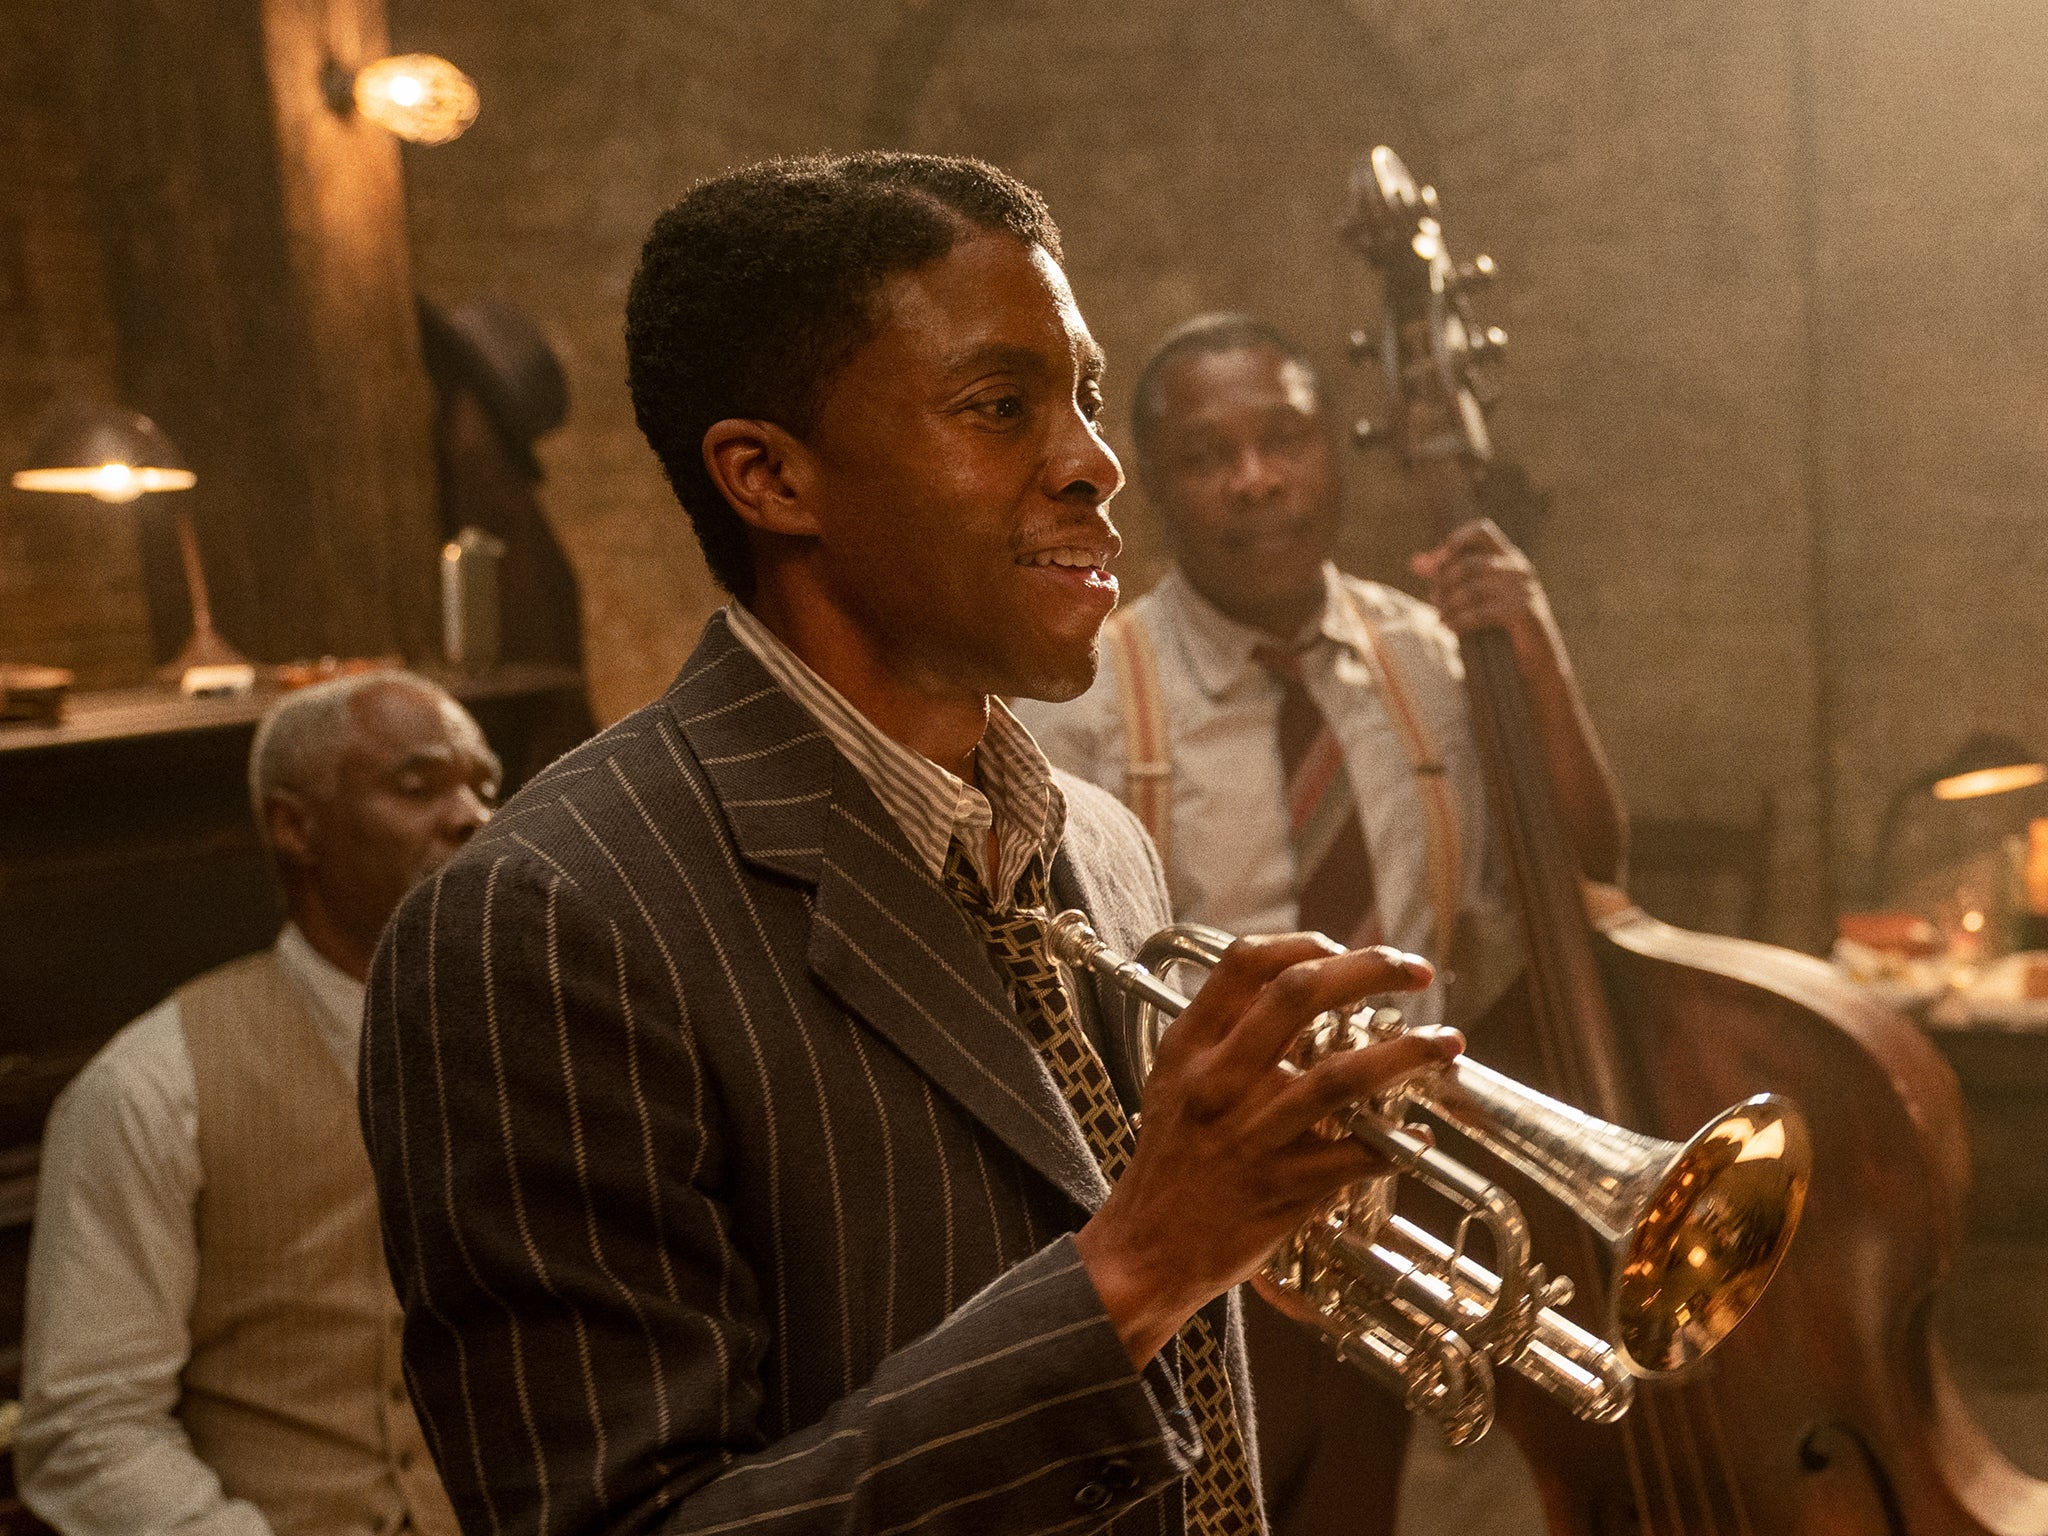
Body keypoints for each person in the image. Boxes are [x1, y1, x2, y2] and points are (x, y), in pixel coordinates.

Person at [358, 153, 1463, 1536]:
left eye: (1087, 400)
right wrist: (1139, 1267)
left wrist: (1242, 1238)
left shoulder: (1103, 845)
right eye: (1003, 407)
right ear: (769, 477)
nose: (1096, 463)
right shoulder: (542, 920)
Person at [1014, 313, 1628, 1536]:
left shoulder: (1424, 660)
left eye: (1282, 438)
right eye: (1206, 454)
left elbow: (1582, 877)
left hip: (1394, 1202)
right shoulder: (1087, 692)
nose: (1254, 479)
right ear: (1157, 487)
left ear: (1332, 456)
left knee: (1360, 1508)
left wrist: (1534, 654)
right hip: (1195, 1212)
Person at [16, 671, 499, 1536]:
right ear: (294, 826)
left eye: (485, 786)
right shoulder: (152, 1087)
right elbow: (89, 1430)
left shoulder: (552, 1049)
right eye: (418, 786)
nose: (473, 816)